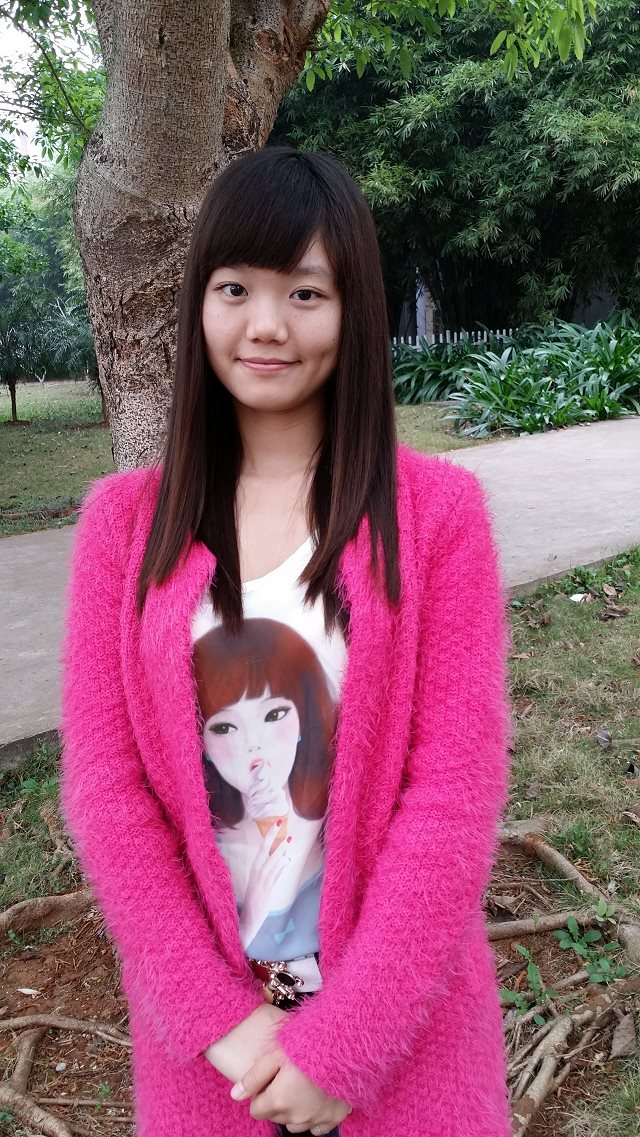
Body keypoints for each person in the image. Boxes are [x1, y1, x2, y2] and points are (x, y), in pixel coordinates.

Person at [59, 145, 513, 1137]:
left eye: (305, 293)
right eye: (235, 289)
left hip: (405, 1039)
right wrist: (221, 1023)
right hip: (211, 1056)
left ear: (352, 310)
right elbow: (108, 793)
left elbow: (453, 794)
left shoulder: (437, 517)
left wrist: (343, 1046)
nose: (266, 324)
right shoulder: (123, 529)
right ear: (199, 302)